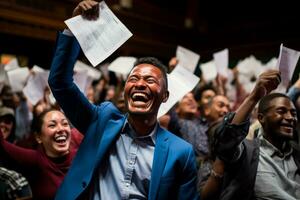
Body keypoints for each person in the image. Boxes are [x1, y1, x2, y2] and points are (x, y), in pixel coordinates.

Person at [48, 1, 199, 199]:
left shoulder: (181, 152)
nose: (140, 84)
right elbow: (60, 82)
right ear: (125, 91)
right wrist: (75, 28)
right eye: (133, 79)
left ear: (165, 96)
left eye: (150, 80)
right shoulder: (102, 122)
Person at [213, 70, 300, 199]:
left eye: (293, 113)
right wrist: (254, 96)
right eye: (281, 111)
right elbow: (226, 141)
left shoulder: (297, 154)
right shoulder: (247, 151)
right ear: (261, 118)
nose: (290, 117)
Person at [0, 109, 77, 200]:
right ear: (38, 137)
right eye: (52, 125)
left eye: (65, 124)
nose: (61, 129)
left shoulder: (82, 156)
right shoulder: (35, 160)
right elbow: (2, 145)